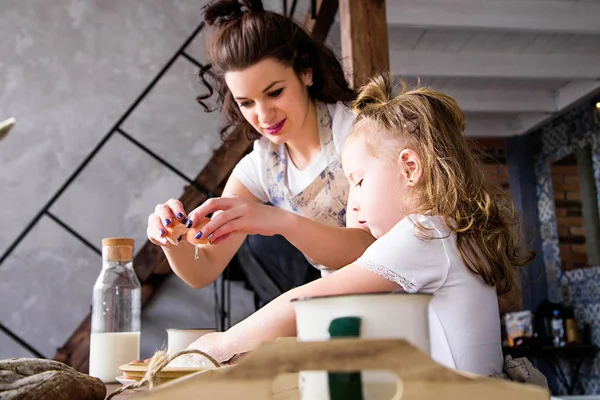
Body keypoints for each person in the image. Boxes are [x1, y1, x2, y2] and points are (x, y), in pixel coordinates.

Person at [187, 74, 535, 377]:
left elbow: (304, 303)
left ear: (409, 168)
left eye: (360, 181)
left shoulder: (424, 231)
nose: (352, 200)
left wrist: (219, 345)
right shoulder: (447, 231)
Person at [146, 0, 374, 292]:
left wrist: (282, 221)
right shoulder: (263, 166)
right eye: (247, 103)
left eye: (275, 92)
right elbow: (204, 270)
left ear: (305, 71)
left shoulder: (357, 132)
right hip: (340, 305)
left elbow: (372, 248)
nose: (264, 116)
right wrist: (170, 238)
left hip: (400, 299)